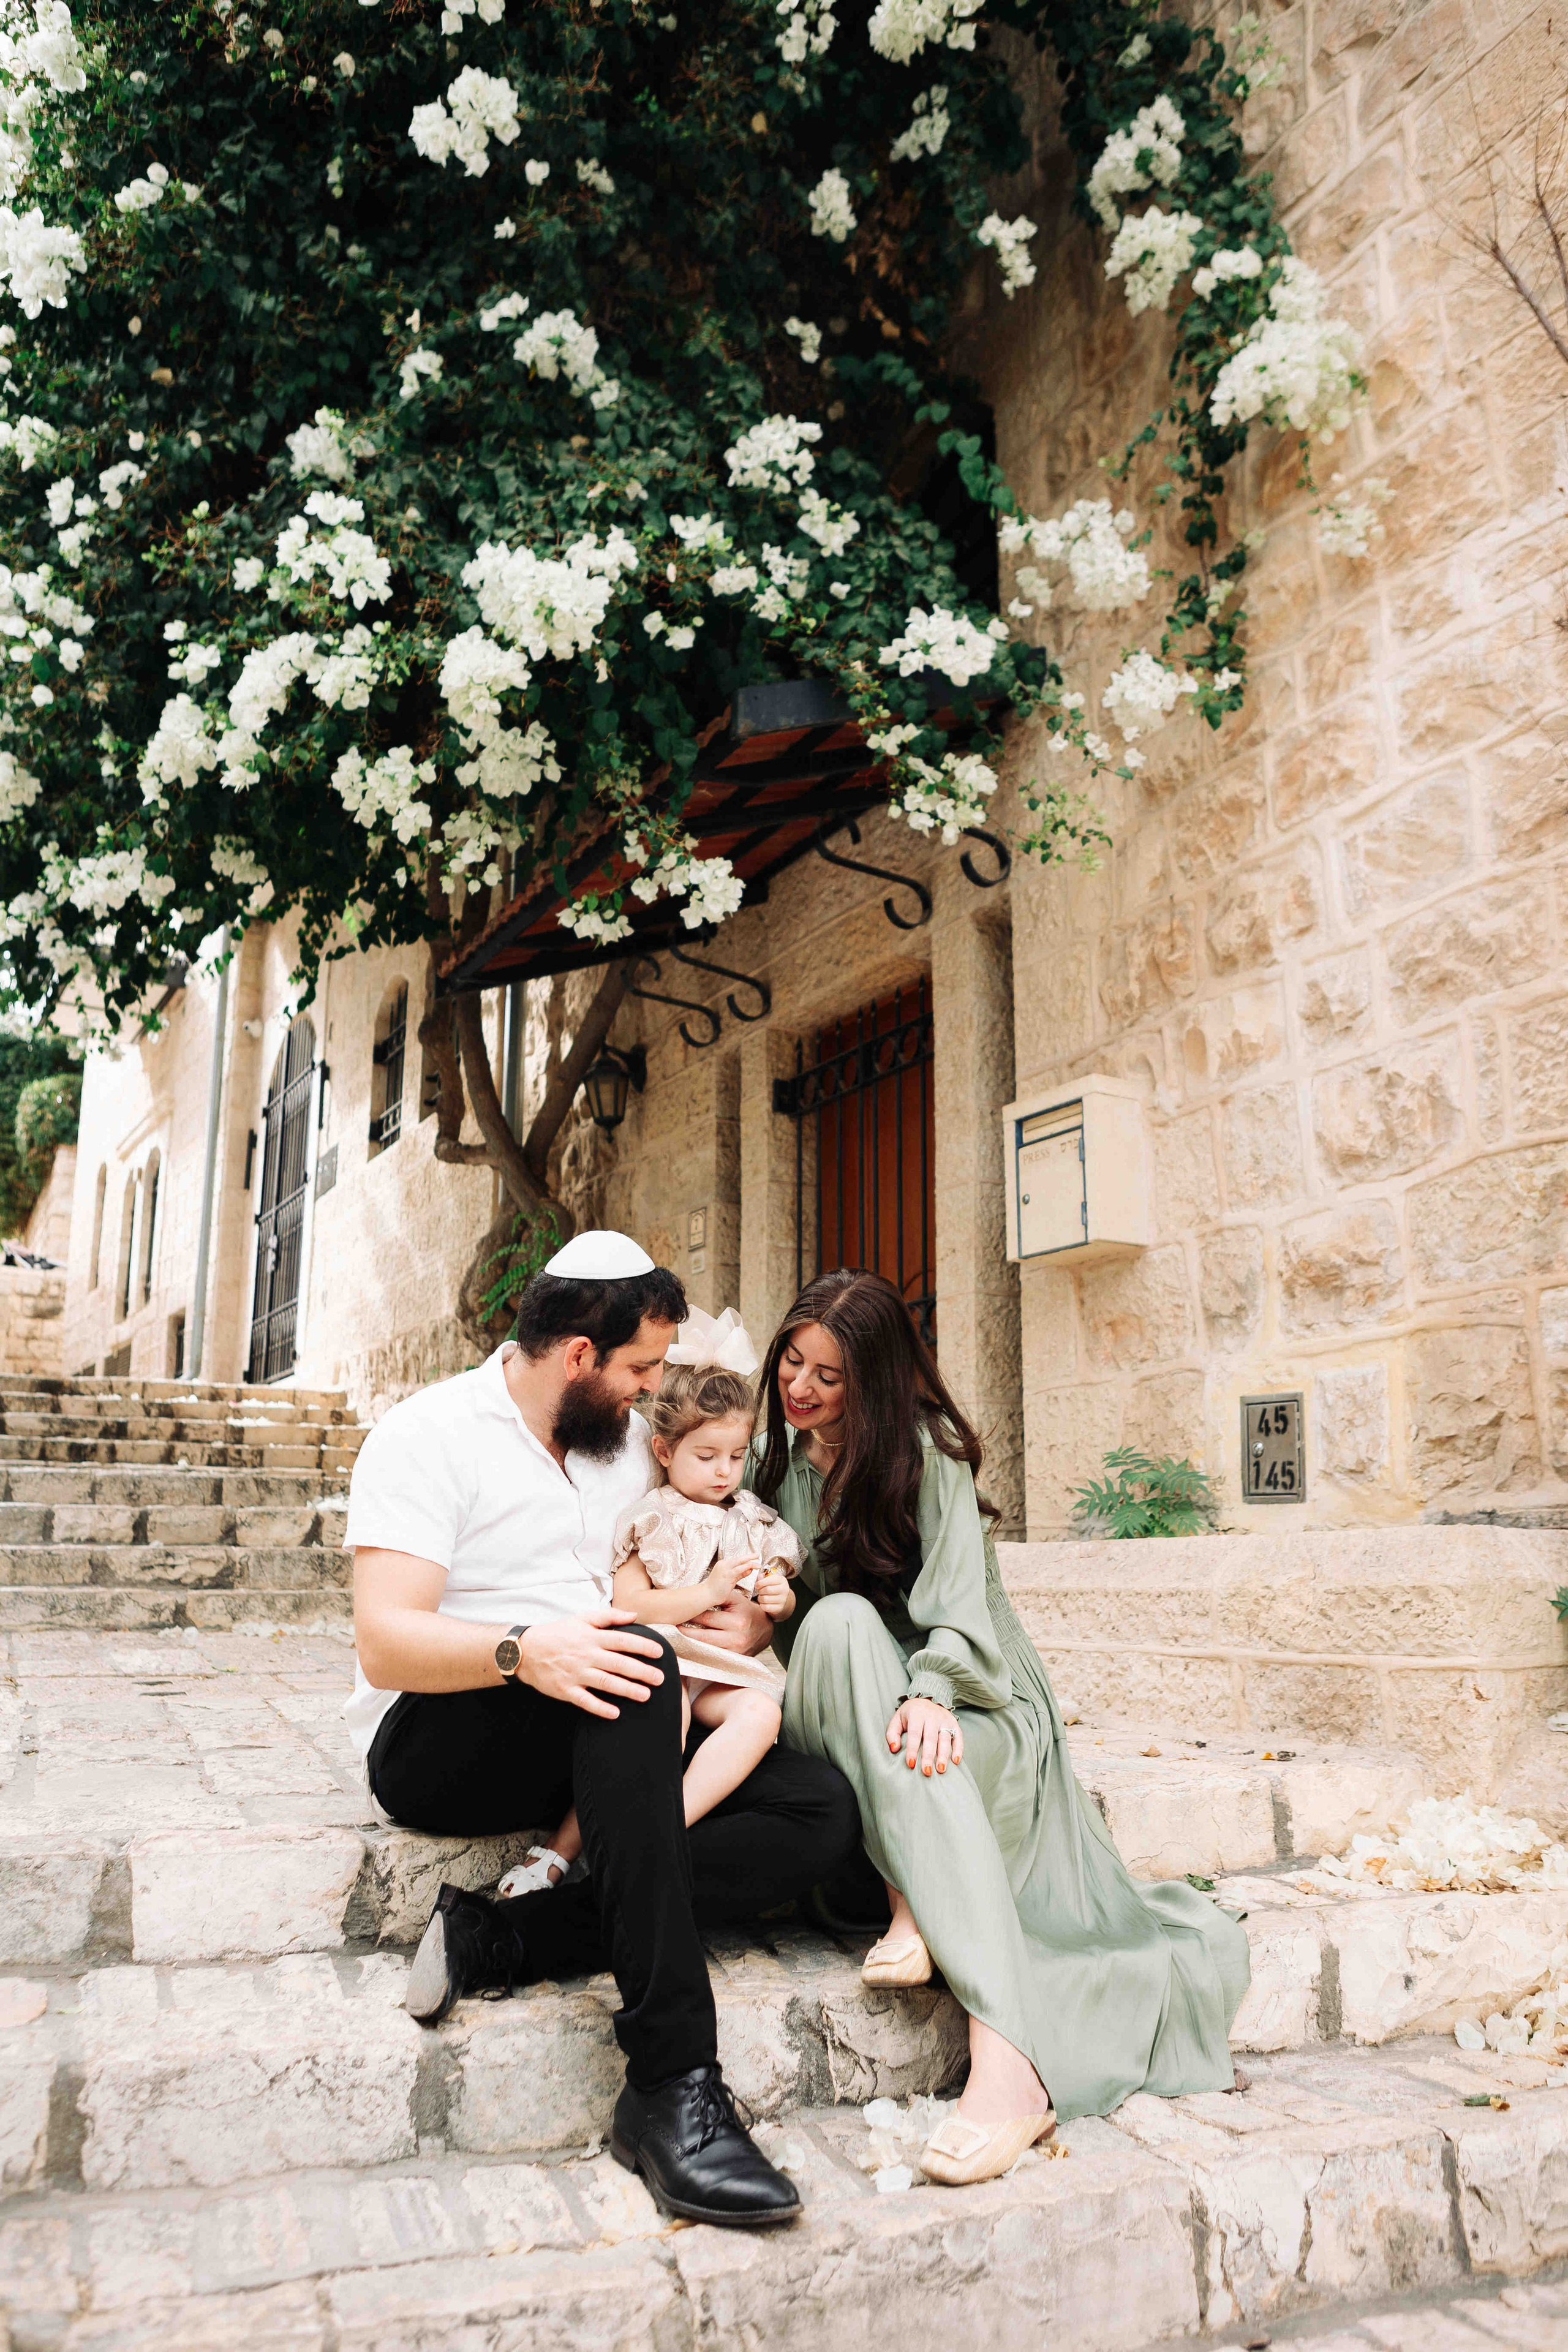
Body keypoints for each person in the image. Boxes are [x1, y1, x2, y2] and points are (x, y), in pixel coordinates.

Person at [345, 1229, 862, 2228]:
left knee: (817, 1811)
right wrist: (525, 1650)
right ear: (580, 1356)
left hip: (612, 1726)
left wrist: (752, 1610)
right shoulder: (429, 1433)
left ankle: (503, 1935)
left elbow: (679, 1563)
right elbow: (386, 1642)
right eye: (640, 1368)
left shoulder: (626, 1441)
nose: (652, 1389)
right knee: (635, 1667)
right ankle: (671, 2088)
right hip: (452, 1726)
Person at [754, 1266, 1252, 2188]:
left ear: (873, 1378)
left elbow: (964, 1616)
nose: (802, 1386)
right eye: (793, 1359)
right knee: (838, 1623)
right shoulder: (774, 1465)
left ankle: (1008, 2062)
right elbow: (797, 1635)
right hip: (866, 1700)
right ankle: (913, 1896)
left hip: (974, 1698)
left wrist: (933, 1690)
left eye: (829, 1374)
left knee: (917, 1738)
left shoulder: (925, 1450)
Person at [497, 1317, 802, 1898]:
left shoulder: (752, 1518)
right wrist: (708, 1593)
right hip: (666, 1657)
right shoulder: (653, 1517)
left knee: (761, 1713)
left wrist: (777, 1602)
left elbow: (775, 1588)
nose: (723, 1471)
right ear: (664, 1449)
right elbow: (631, 1603)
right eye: (707, 1455)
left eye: (736, 1456)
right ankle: (564, 1849)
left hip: (715, 1668)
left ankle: (658, 1828)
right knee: (662, 1720)